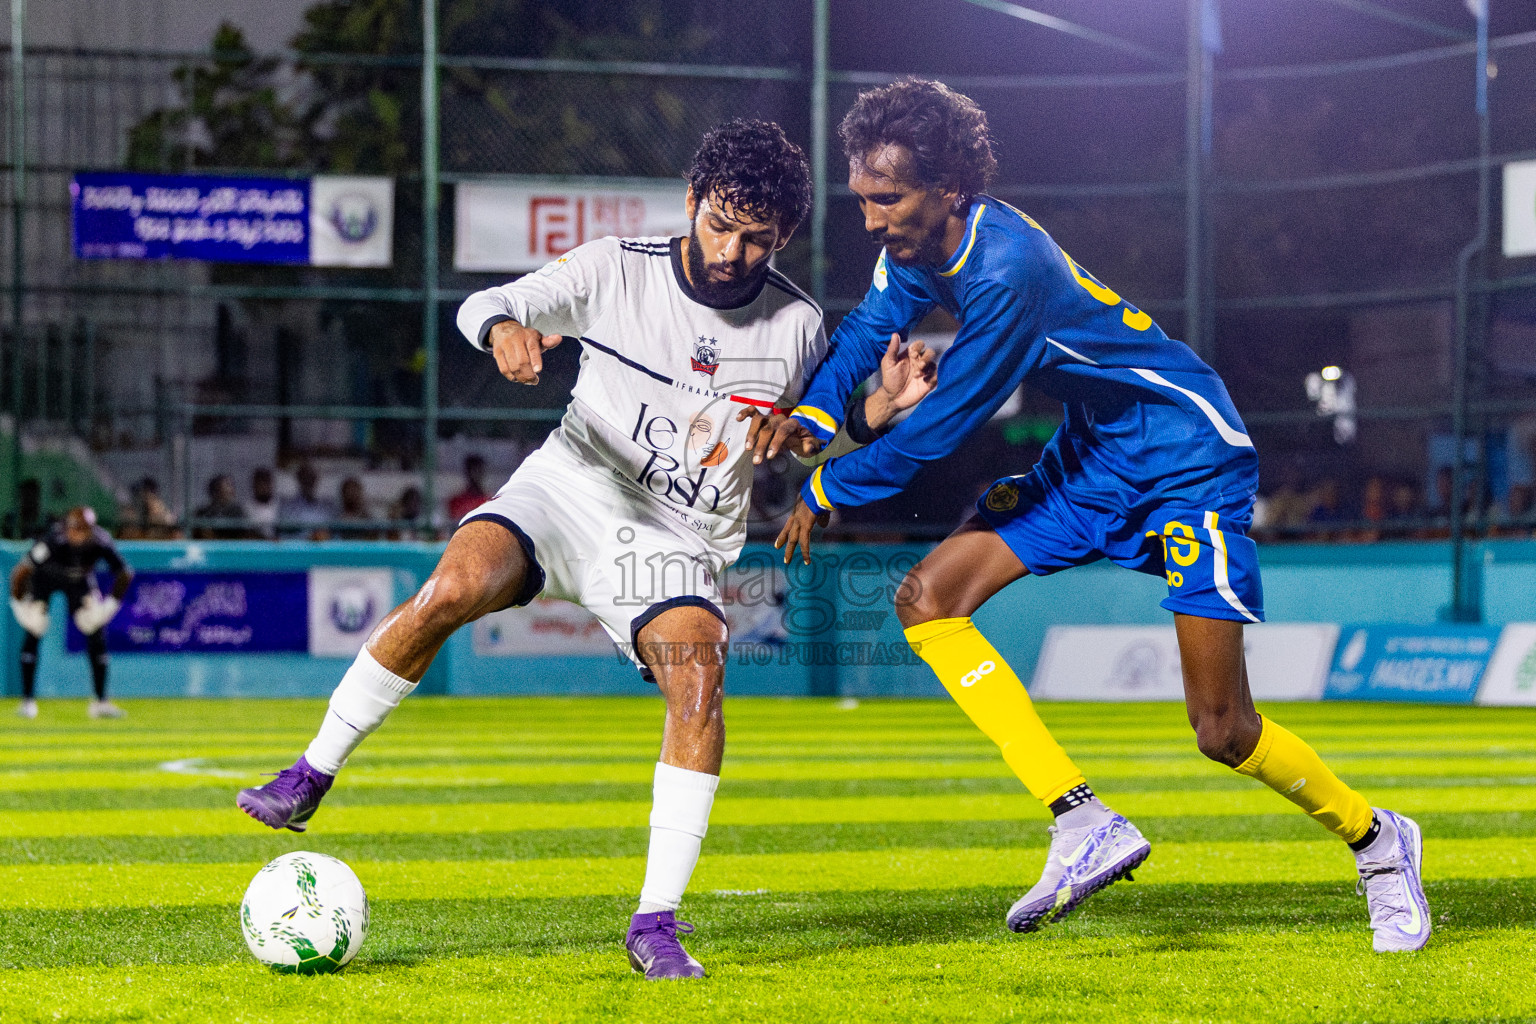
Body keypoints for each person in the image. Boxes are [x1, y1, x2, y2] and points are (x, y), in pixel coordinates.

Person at [235, 119, 935, 980]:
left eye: (758, 238)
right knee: (452, 588)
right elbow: (482, 305)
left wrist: (881, 407)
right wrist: (503, 333)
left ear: (783, 236)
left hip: (679, 536)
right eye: (720, 223)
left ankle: (655, 921)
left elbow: (801, 441)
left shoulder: (793, 322)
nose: (731, 250)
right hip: (572, 485)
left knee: (700, 669)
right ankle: (311, 773)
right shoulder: (613, 267)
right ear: (692, 201)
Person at [767, 79, 1429, 953]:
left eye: (887, 199)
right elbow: (866, 330)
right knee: (927, 599)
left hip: (1185, 457)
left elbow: (941, 430)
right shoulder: (922, 246)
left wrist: (826, 486)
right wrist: (815, 418)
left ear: (950, 189)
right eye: (864, 200)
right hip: (1092, 458)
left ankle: (1379, 840)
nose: (871, 219)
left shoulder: (1009, 271)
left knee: (1222, 730)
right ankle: (1082, 822)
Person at [10, 507, 133, 719]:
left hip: (79, 582)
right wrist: (19, 607)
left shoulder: (100, 541)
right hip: (44, 580)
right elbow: (20, 573)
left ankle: (100, 702)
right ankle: (27, 701)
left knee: (95, 629)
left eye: (83, 530)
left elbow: (124, 573)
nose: (77, 534)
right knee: (35, 628)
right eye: (74, 529)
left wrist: (109, 608)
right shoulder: (52, 541)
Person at [278, 462, 334, 540]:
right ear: (299, 479)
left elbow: (335, 534)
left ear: (316, 479)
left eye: (311, 477)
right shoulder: (287, 506)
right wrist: (308, 537)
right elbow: (283, 536)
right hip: (298, 549)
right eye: (305, 477)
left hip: (323, 550)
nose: (308, 481)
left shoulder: (326, 507)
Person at [193, 474, 247, 539]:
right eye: (226, 485)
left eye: (230, 486)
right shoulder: (204, 511)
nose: (230, 490)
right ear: (214, 491)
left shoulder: (237, 511)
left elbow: (243, 533)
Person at [447, 454, 490, 523]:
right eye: (472, 471)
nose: (475, 475)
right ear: (467, 472)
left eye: (478, 471)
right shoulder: (456, 501)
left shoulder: (489, 502)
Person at [247, 467, 279, 540]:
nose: (263, 486)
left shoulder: (279, 505)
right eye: (260, 483)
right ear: (254, 485)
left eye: (266, 482)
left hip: (277, 547)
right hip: (257, 546)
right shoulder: (247, 508)